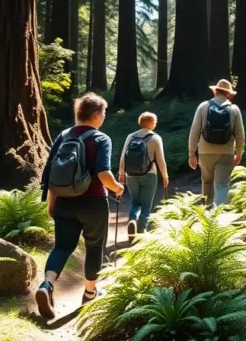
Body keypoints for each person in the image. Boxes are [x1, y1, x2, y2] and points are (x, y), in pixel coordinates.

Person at [37, 92, 124, 320]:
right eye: (103, 112)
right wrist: (116, 188)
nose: (104, 116)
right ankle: (89, 292)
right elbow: (104, 173)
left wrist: (51, 202)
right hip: (93, 202)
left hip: (64, 202)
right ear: (95, 114)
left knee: (62, 247)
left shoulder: (63, 136)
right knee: (94, 247)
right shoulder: (100, 138)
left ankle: (46, 285)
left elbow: (50, 173)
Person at [188, 79, 245, 206]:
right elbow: (240, 135)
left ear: (215, 91)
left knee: (207, 182)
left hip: (205, 153)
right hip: (226, 153)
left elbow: (194, 131)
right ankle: (219, 217)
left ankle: (208, 216)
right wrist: (239, 153)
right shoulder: (234, 109)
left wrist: (191, 153)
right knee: (222, 185)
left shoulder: (203, 106)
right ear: (228, 94)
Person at [118, 112, 169, 241]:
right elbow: (160, 160)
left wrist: (121, 173)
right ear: (151, 123)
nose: (156, 124)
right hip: (149, 175)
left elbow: (123, 156)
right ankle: (141, 231)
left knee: (135, 202)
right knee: (146, 205)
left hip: (131, 175)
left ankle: (132, 220)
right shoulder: (155, 138)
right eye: (155, 122)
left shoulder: (131, 136)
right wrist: (165, 176)